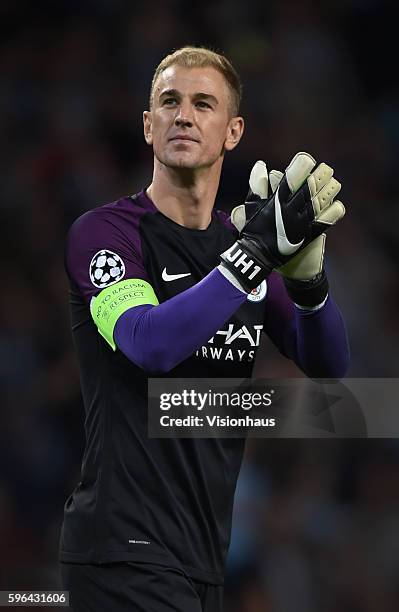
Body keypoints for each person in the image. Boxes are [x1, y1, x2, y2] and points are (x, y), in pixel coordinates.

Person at [59, 46, 349, 611]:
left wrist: (310, 284)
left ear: (233, 131)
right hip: (120, 553)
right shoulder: (105, 234)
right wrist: (257, 252)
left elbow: (328, 364)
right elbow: (150, 343)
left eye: (202, 104)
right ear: (148, 126)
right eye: (169, 102)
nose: (183, 115)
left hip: (203, 557)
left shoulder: (238, 247)